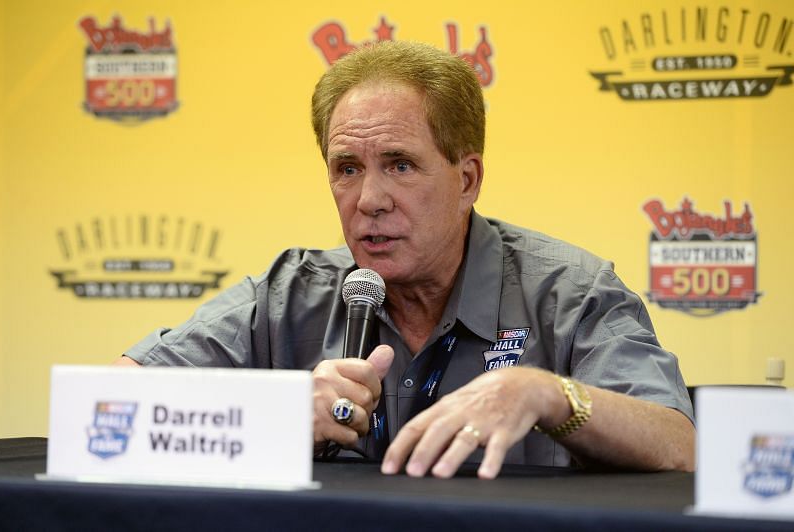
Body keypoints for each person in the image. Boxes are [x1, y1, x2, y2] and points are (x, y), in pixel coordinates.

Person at [118, 41, 695, 479]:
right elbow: (105, 404)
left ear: (466, 179)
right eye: (347, 168)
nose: (369, 200)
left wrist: (544, 394)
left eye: (399, 164)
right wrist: (273, 413)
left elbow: (679, 446)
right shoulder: (287, 294)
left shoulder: (571, 292)